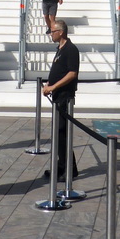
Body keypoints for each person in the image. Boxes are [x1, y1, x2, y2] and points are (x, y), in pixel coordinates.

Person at [42, 20, 79, 180]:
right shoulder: (60, 49)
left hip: (65, 96)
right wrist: (50, 84)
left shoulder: (71, 49)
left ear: (61, 32)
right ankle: (62, 165)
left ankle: (69, 169)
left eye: (52, 31)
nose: (51, 34)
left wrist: (53, 86)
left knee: (62, 133)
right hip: (57, 95)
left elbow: (72, 73)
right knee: (58, 133)